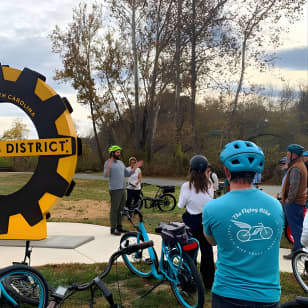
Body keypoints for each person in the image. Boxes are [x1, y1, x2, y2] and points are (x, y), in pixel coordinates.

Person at [203, 140, 284, 307]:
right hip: (267, 295)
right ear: (255, 173)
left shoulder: (212, 207)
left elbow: (212, 241)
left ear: (226, 171)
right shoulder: (276, 206)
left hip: (227, 293)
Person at [178, 155, 215, 290]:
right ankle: (209, 282)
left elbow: (181, 205)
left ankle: (190, 281)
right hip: (205, 220)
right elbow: (210, 201)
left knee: (190, 252)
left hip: (191, 221)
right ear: (206, 170)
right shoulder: (209, 184)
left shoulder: (186, 186)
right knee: (207, 251)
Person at [104, 145, 143, 235]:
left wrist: (135, 167)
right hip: (115, 189)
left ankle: (119, 226)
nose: (119, 154)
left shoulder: (121, 163)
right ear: (112, 153)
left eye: (119, 152)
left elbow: (127, 173)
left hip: (122, 189)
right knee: (115, 209)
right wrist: (109, 167)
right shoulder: (108, 162)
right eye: (117, 152)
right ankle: (113, 229)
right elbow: (106, 175)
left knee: (121, 208)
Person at [282, 144, 307, 258]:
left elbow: (294, 187)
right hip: (298, 202)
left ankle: (297, 251)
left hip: (294, 203)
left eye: (288, 152)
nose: (287, 154)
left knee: (295, 228)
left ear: (294, 154)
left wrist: (288, 200)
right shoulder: (299, 165)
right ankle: (300, 249)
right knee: (299, 226)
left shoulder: (296, 167)